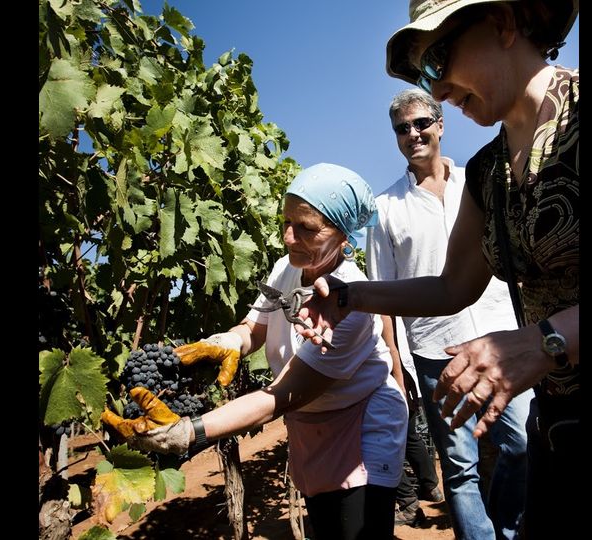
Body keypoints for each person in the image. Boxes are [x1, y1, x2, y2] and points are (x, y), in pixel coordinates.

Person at [298, 1, 580, 537]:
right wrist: (348, 296)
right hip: (559, 423)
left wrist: (543, 340)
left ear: (502, 22)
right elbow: (453, 286)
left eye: (440, 60)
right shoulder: (487, 173)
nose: (441, 88)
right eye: (428, 74)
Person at [103, 163, 408, 540]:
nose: (288, 237)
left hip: (362, 424)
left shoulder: (351, 304)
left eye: (306, 228)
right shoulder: (288, 267)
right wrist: (228, 341)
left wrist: (189, 433)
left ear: (345, 236)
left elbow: (279, 396)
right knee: (327, 527)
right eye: (287, 222)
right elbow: (253, 329)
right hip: (311, 425)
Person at [369, 87, 531, 539]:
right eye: (402, 129)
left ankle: (507, 531)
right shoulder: (385, 210)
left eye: (421, 123)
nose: (413, 134)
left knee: (521, 444)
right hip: (435, 352)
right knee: (460, 469)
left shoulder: (480, 181)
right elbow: (384, 296)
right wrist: (396, 368)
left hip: (499, 338)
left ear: (441, 125)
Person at [390, 326, 442, 527]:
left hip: (392, 379)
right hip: (403, 374)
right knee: (409, 437)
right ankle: (431, 487)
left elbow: (390, 345)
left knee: (380, 447)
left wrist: (400, 381)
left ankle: (407, 502)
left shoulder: (373, 303)